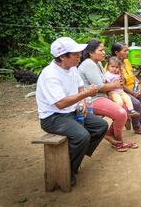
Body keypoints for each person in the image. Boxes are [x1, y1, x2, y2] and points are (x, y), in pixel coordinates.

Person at [36, 37, 108, 187]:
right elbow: (61, 103)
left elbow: (80, 86)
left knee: (101, 125)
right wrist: (86, 95)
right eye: (75, 54)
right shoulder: (50, 75)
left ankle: (75, 156)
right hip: (53, 117)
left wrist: (81, 103)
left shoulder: (72, 67)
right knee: (82, 136)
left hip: (71, 111)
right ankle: (67, 170)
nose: (80, 56)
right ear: (62, 56)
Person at [78, 39, 138, 152]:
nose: (104, 52)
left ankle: (110, 134)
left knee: (125, 108)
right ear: (91, 53)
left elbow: (105, 82)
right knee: (121, 113)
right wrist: (116, 85)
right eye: (101, 50)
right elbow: (100, 86)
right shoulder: (88, 64)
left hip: (103, 96)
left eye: (104, 50)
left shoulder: (98, 62)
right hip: (92, 99)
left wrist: (111, 91)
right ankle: (119, 142)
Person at [109, 42, 141, 135]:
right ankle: (137, 127)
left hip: (133, 89)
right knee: (137, 104)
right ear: (117, 53)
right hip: (120, 92)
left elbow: (133, 76)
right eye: (125, 51)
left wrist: (137, 86)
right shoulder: (112, 66)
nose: (128, 53)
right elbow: (120, 84)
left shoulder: (126, 61)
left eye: (128, 50)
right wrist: (133, 93)